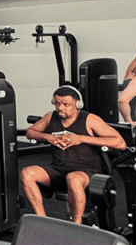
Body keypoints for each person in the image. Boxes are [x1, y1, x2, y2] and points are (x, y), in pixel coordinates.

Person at [20, 85, 125, 224]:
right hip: (58, 170)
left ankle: (76, 225)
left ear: (77, 104)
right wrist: (49, 137)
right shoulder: (50, 116)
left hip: (87, 171)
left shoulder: (90, 119)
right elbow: (30, 132)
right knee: (27, 173)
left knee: (73, 179)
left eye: (66, 105)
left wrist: (81, 138)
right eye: (57, 103)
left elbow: (120, 143)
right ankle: (42, 220)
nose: (61, 108)